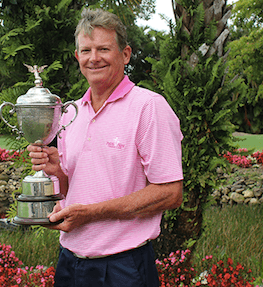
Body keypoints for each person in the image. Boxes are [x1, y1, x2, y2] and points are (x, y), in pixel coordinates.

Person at [27, 8, 183, 287]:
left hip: (124, 268)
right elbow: (71, 189)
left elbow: (170, 194)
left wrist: (92, 213)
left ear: (125, 54)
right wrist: (57, 173)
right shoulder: (70, 113)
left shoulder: (148, 107)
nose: (94, 58)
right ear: (77, 57)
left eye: (103, 49)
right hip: (70, 263)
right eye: (86, 50)